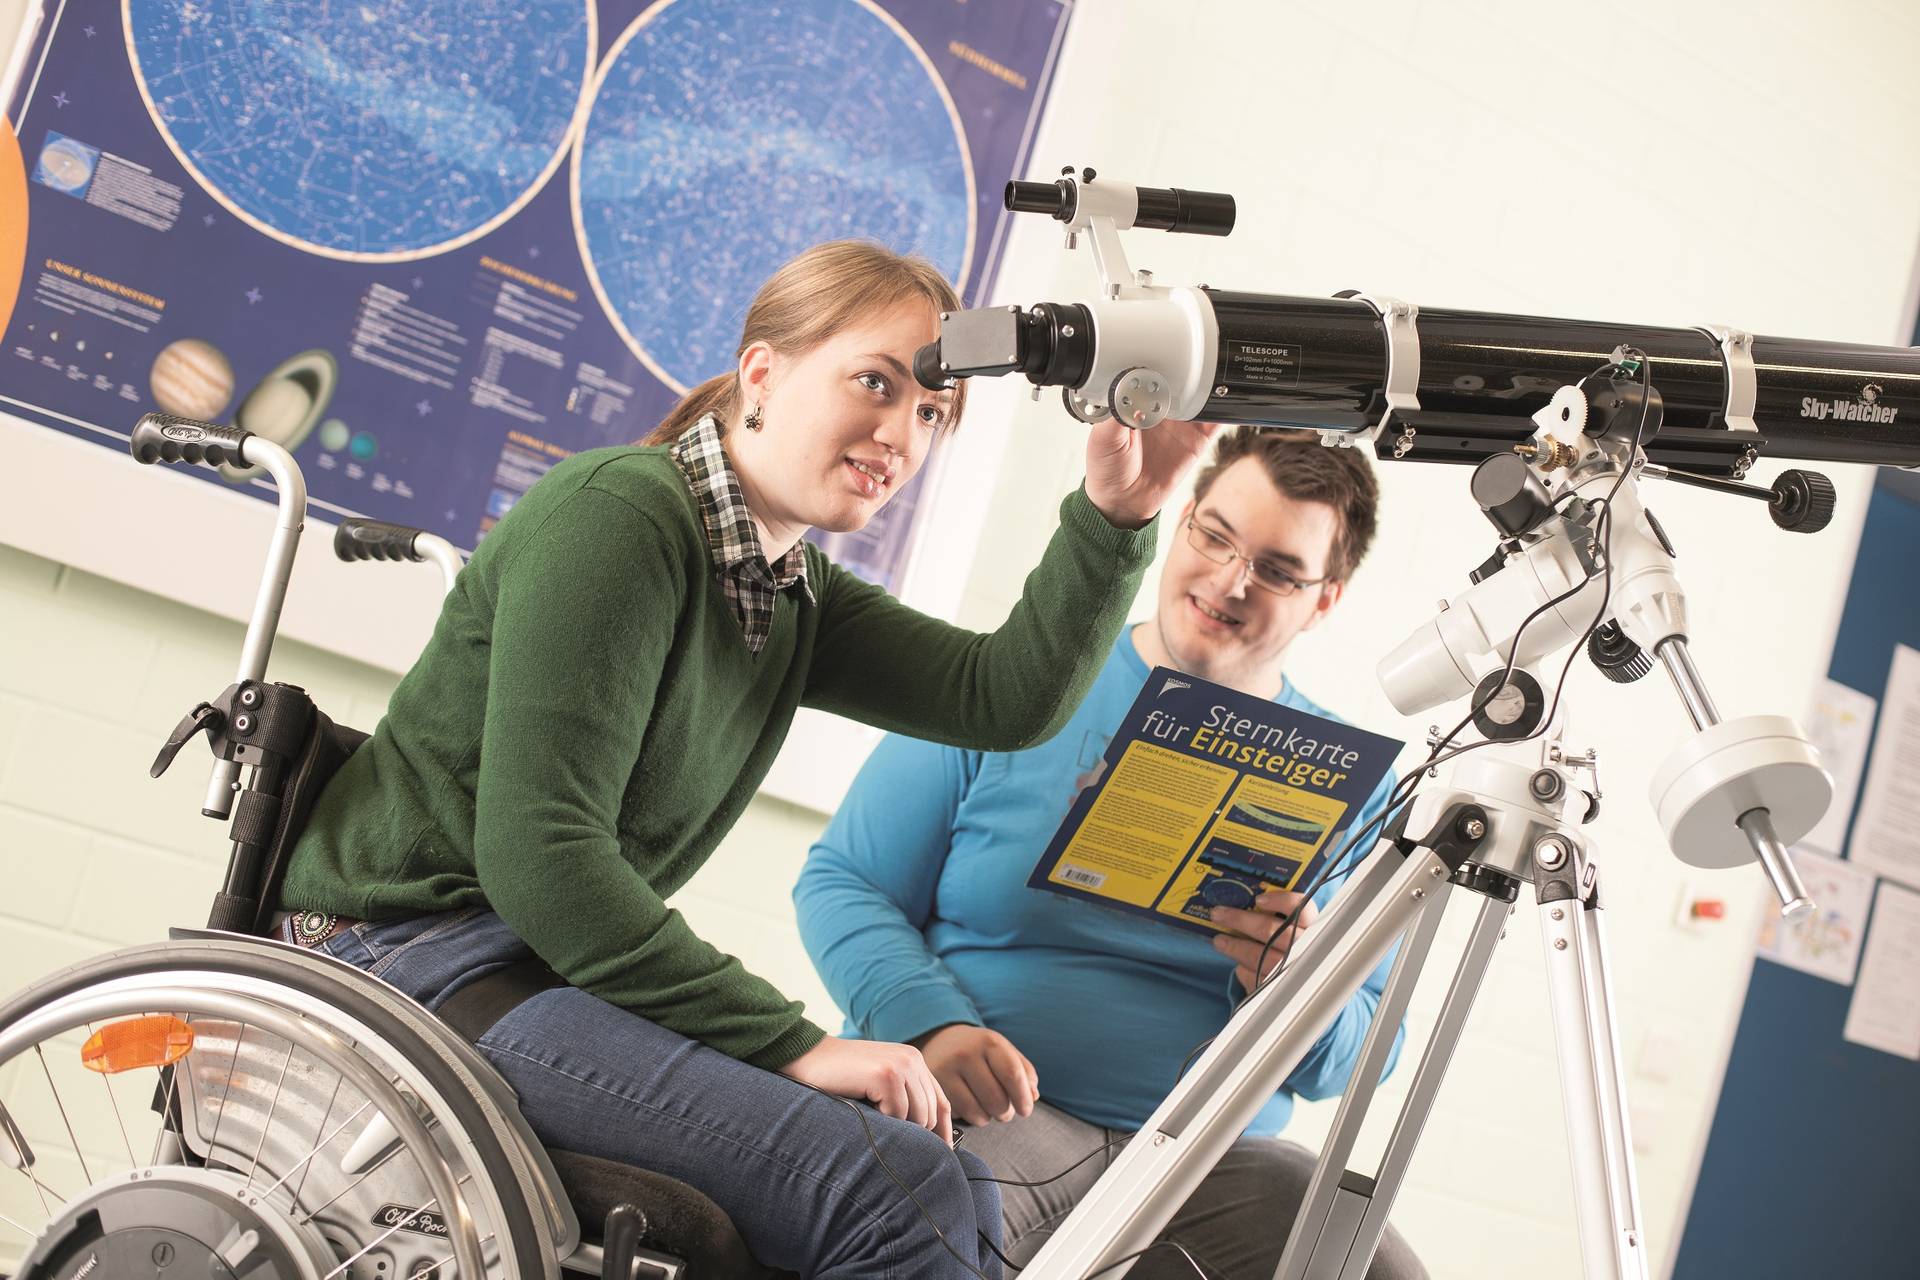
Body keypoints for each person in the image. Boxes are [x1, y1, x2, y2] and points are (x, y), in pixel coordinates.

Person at [275, 239, 1218, 1279]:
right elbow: (541, 855)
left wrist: (1122, 509)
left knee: (953, 1177)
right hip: (406, 959)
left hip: (525, 967)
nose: (903, 432)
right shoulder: (622, 515)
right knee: (896, 1185)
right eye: (878, 382)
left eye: (934, 414)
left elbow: (1002, 695)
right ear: (761, 373)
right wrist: (790, 1042)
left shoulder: (786, 586)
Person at [794, 427, 1429, 1279]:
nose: (1231, 582)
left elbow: (1368, 1056)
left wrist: (1298, 983)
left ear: (1324, 600)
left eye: (1278, 571)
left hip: (1200, 1163)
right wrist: (929, 1021)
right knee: (916, 1230)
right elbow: (844, 883)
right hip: (989, 1117)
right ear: (1183, 523)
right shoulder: (1017, 685)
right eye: (1216, 536)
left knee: (1369, 1263)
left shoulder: (1359, 788)